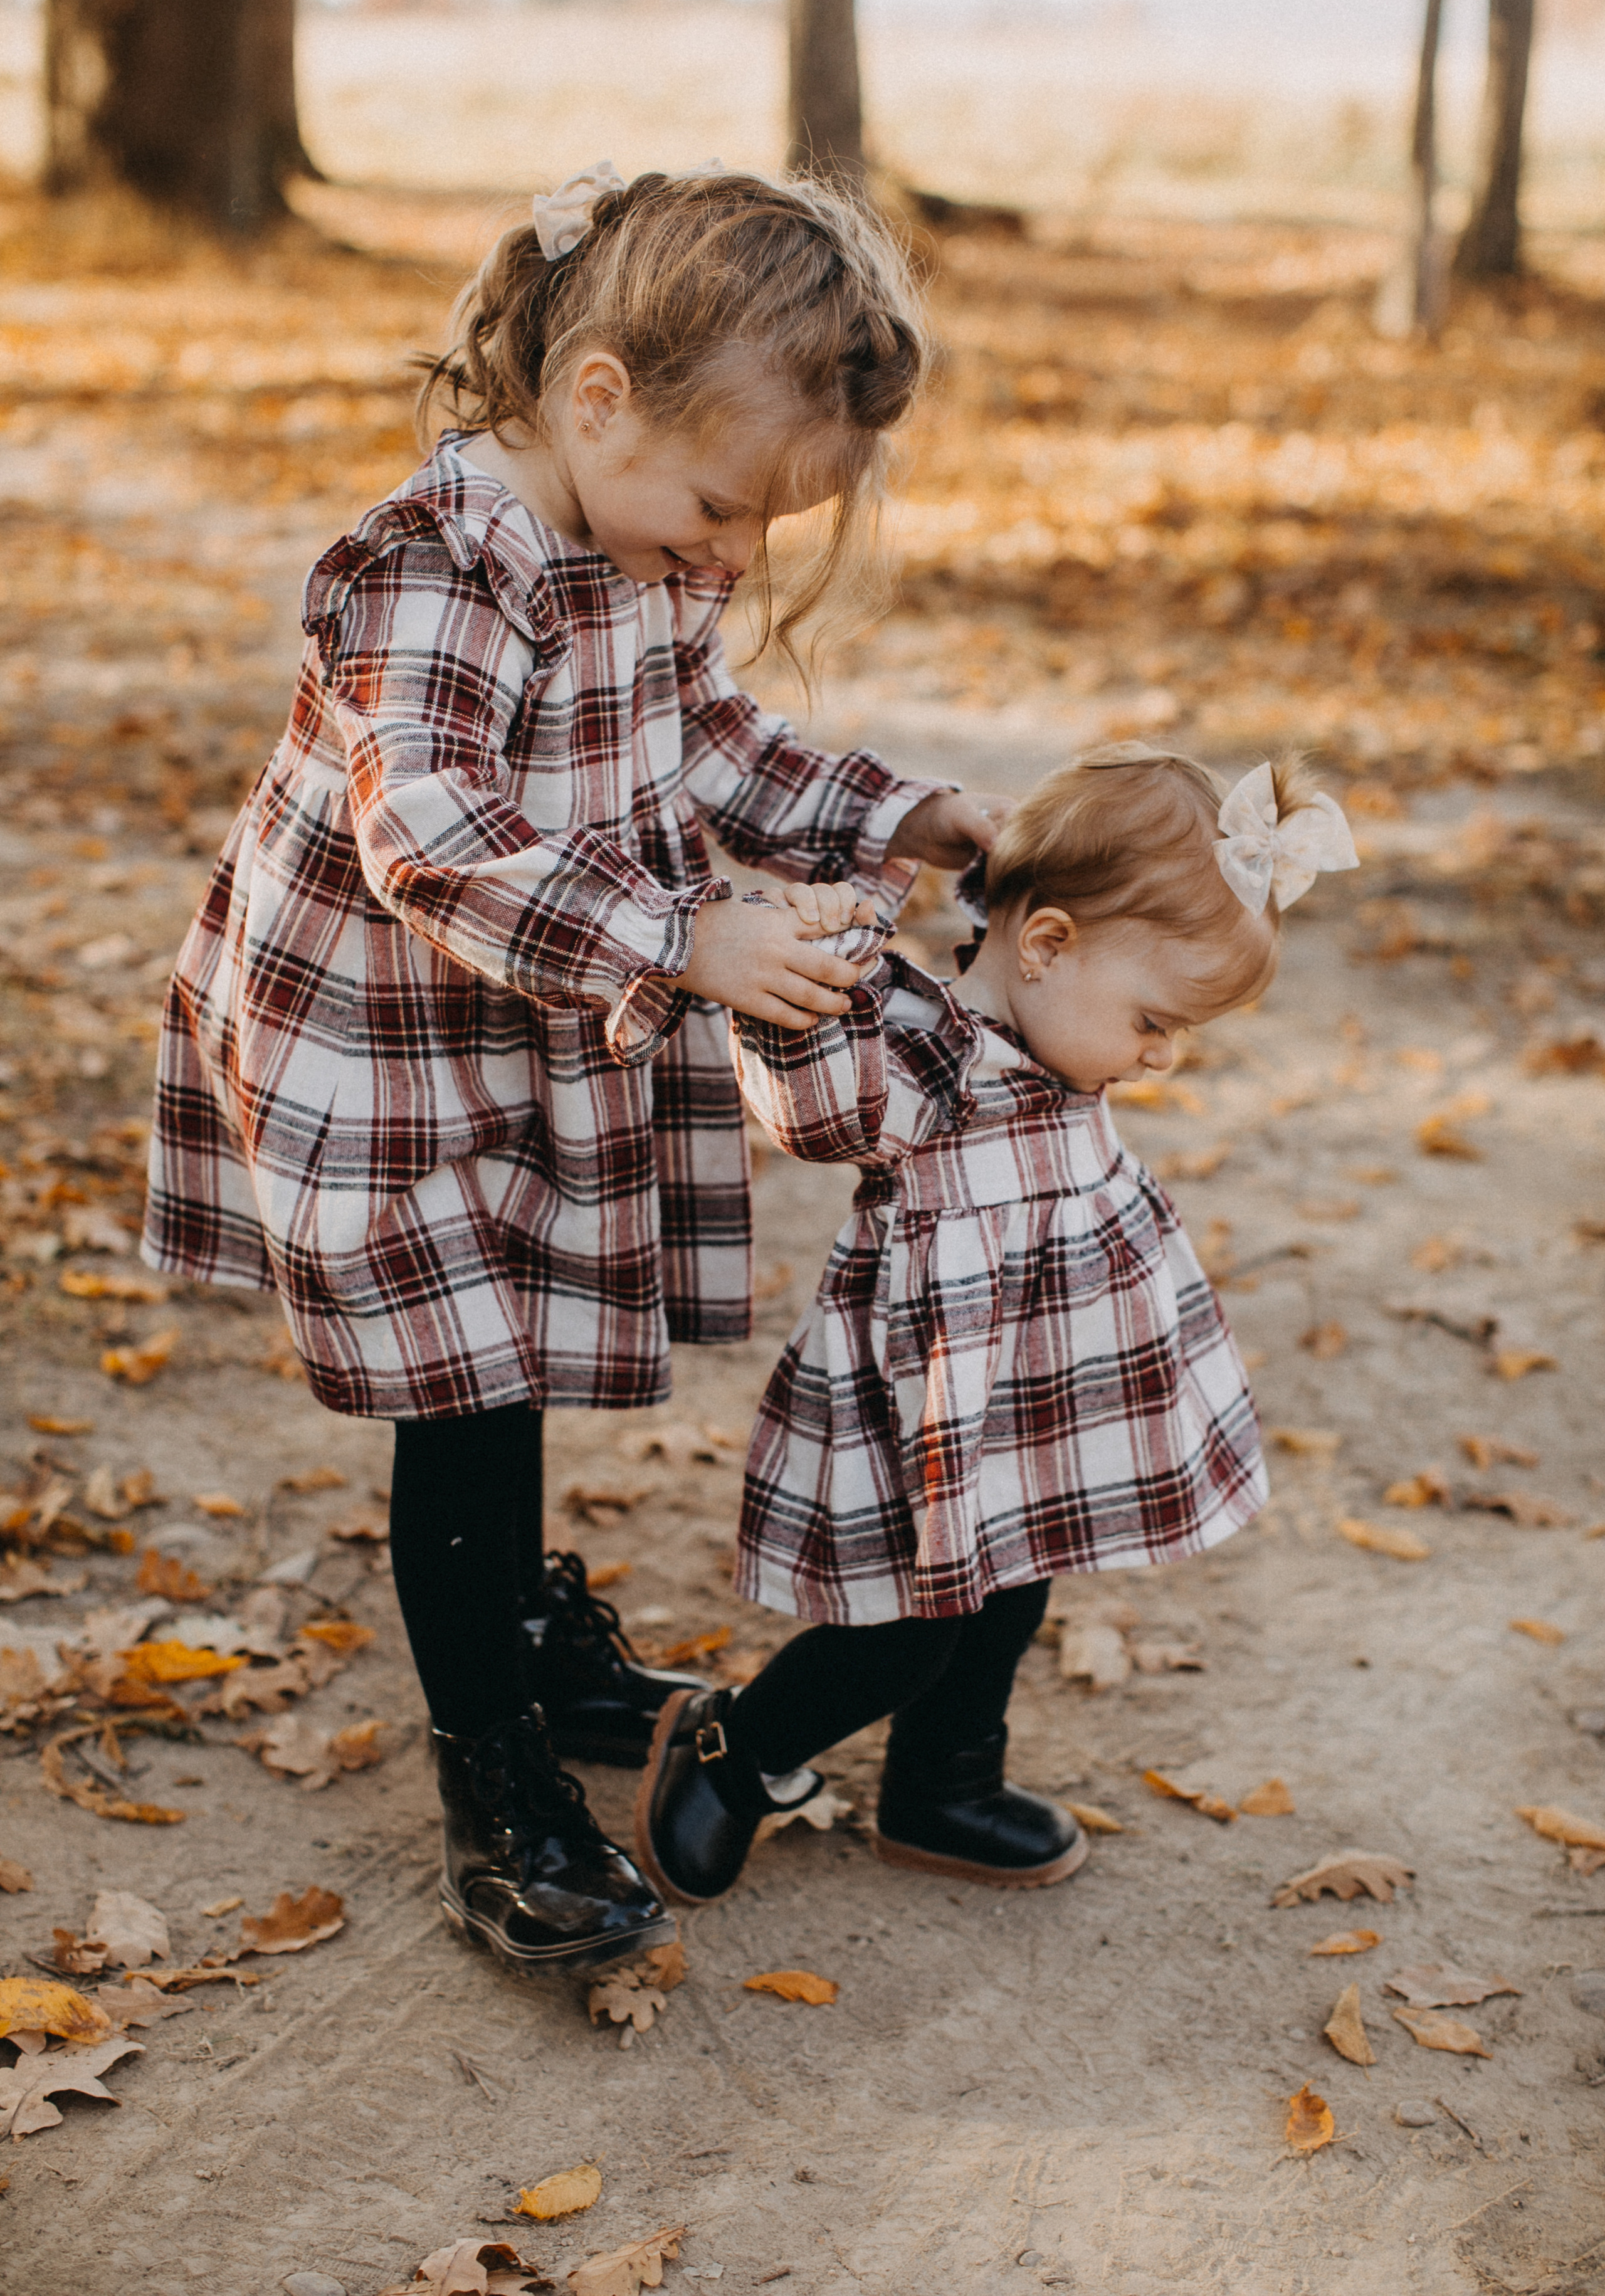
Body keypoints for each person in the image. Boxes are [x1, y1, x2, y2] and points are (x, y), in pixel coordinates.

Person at [140, 162, 1013, 1978]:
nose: (731, 559)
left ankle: (530, 1635)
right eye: (721, 506)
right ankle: (499, 1786)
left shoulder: (636, 552)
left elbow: (704, 740)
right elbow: (434, 839)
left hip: (523, 1030)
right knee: (461, 1404)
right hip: (372, 1045)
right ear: (597, 394)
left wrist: (900, 811)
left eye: (762, 529)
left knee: (512, 1346)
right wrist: (684, 944)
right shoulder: (429, 569)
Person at [635, 746, 1359, 1903]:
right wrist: (807, 973)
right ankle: (737, 1747)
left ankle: (946, 1781)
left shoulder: (1063, 1029)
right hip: (943, 1378)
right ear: (1050, 944)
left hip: (1048, 1375)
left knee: (1023, 1575)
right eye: (1155, 1022)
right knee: (913, 1623)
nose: (1162, 1056)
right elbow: (819, 1115)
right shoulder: (922, 1047)